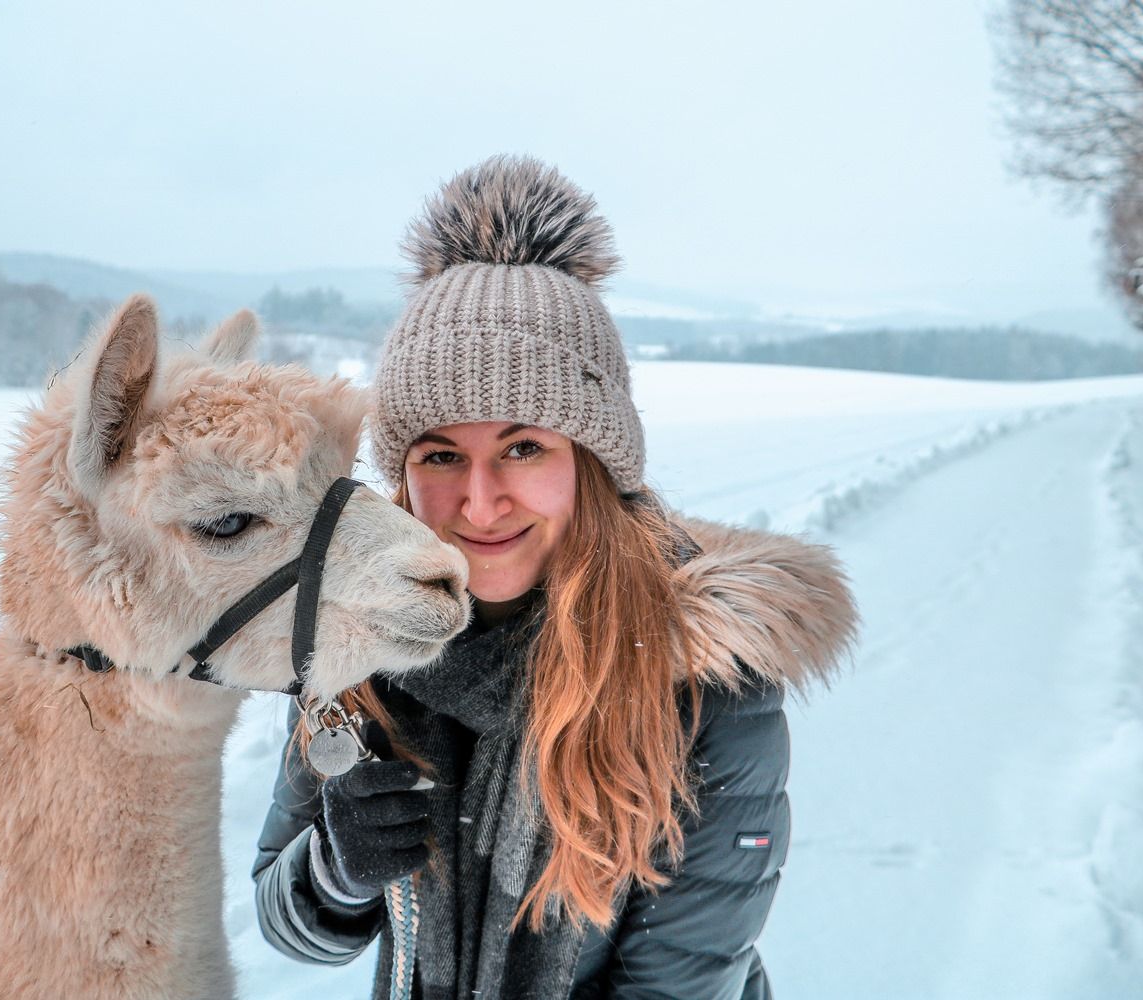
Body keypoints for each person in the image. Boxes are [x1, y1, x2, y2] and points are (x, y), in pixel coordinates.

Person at [253, 155, 858, 1000]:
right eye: (440, 455)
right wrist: (335, 870)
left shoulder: (702, 682)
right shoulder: (361, 648)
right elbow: (284, 925)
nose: (480, 499)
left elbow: (676, 987)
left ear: (594, 465)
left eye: (524, 446)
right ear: (401, 478)